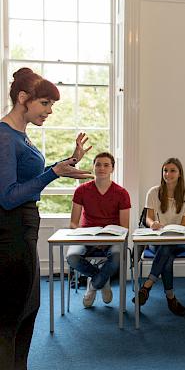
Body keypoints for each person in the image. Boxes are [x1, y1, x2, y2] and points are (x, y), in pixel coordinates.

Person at [0, 68, 93, 370]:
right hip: (10, 234)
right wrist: (54, 173)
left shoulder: (20, 136)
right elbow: (9, 196)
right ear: (23, 98)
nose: (49, 111)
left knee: (28, 309)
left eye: (52, 105)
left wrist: (66, 164)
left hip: (24, 232)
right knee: (11, 316)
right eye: (45, 103)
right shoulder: (4, 136)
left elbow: (31, 178)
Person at [66, 152, 131, 308]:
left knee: (116, 256)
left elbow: (124, 228)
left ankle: (94, 285)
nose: (102, 168)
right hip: (86, 236)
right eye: (98, 164)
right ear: (93, 167)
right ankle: (102, 279)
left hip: (112, 237)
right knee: (72, 256)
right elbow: (73, 224)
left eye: (106, 165)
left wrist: (105, 239)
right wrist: (91, 239)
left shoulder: (122, 193)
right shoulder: (81, 190)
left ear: (112, 169)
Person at [133, 158, 185, 316]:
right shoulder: (153, 192)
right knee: (166, 253)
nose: (168, 174)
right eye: (165, 170)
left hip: (181, 241)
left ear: (180, 173)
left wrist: (172, 232)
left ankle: (147, 286)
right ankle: (170, 298)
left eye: (172, 170)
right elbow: (148, 218)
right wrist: (152, 223)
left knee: (167, 248)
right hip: (158, 240)